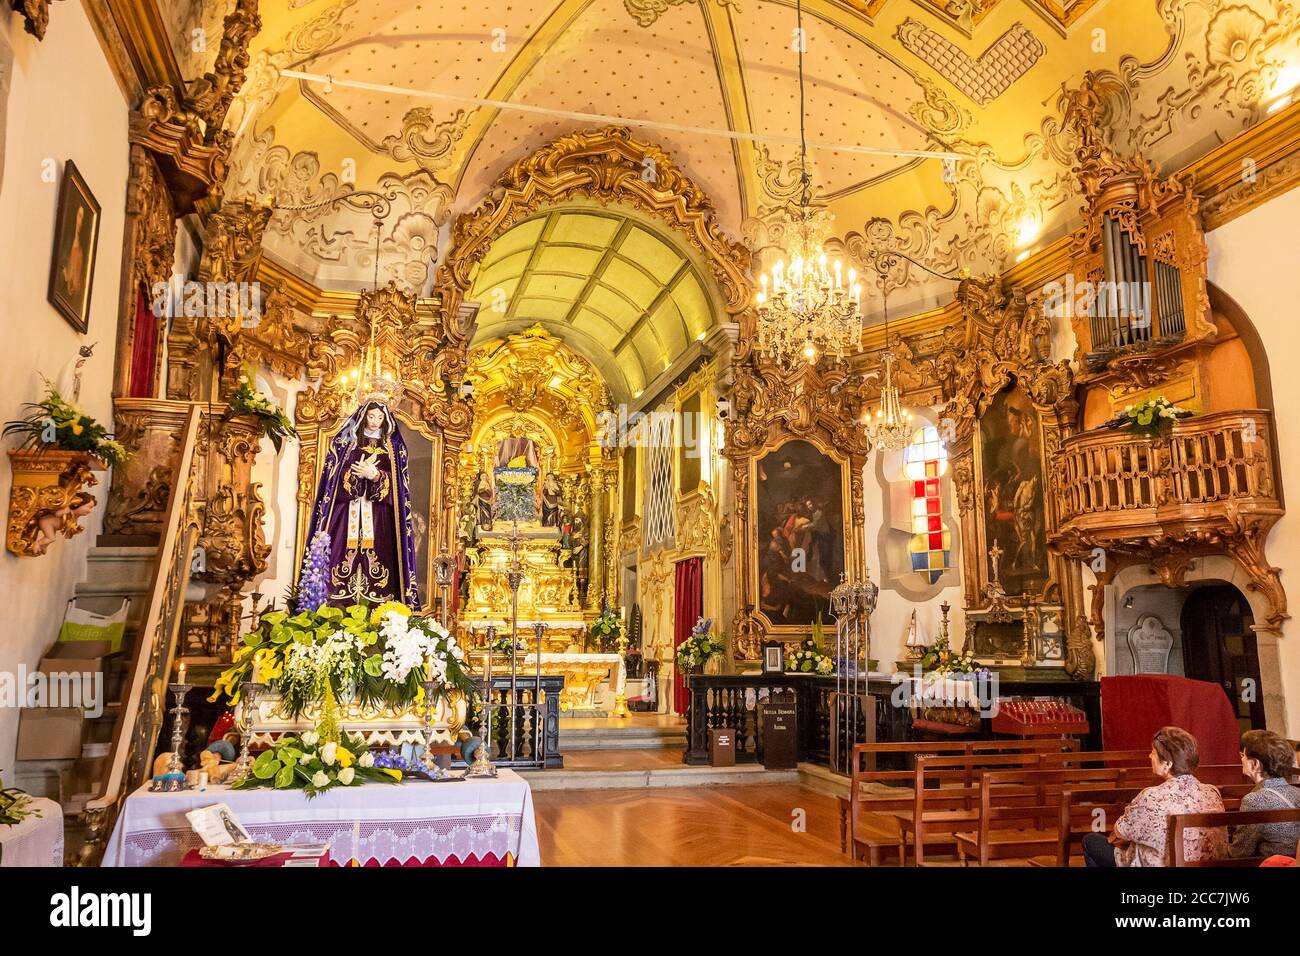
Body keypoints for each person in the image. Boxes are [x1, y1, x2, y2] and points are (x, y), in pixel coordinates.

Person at [300, 399, 421, 608]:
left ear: (385, 419)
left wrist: (375, 476)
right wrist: (354, 475)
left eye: (380, 417)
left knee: (381, 557)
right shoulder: (346, 443)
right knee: (337, 555)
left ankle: (381, 605)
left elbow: (400, 488)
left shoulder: (393, 448)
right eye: (372, 416)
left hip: (379, 516)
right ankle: (331, 604)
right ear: (364, 416)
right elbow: (332, 480)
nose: (375, 422)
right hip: (346, 513)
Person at [1082, 726, 1227, 867]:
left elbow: (1120, 830)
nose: (1150, 756)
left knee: (1091, 841)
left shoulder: (1151, 796)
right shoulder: (1212, 793)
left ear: (1168, 764)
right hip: (1204, 865)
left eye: (1153, 752)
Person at [1227, 730, 1300, 859]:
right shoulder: (1297, 792)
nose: (1241, 759)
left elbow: (1240, 852)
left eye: (1243, 755)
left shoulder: (1254, 800)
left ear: (1255, 764)